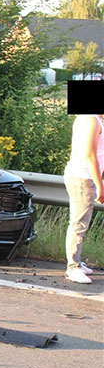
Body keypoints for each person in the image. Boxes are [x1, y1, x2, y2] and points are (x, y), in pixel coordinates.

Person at [64, 114, 104, 284]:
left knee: (81, 222)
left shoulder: (89, 118)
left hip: (82, 176)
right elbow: (90, 155)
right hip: (83, 177)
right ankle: (72, 267)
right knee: (78, 223)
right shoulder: (90, 120)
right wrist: (99, 184)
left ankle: (77, 263)